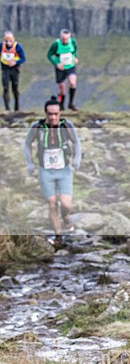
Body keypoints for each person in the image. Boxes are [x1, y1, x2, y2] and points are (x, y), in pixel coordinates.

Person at [23, 96, 82, 249]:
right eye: (50, 114)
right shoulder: (37, 127)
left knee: (66, 204)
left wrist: (77, 160)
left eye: (56, 114)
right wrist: (30, 164)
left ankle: (66, 216)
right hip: (45, 171)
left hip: (64, 171)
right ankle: (58, 237)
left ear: (60, 113)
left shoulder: (67, 125)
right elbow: (27, 144)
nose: (53, 117)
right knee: (52, 204)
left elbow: (76, 142)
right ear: (45, 113)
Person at [46, 29, 79, 111]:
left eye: (67, 39)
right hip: (60, 68)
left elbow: (74, 50)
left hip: (70, 66)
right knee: (62, 89)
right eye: (63, 39)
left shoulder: (72, 42)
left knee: (72, 83)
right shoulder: (56, 44)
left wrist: (75, 57)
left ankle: (71, 103)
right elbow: (49, 55)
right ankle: (61, 105)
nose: (65, 41)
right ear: (60, 37)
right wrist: (56, 64)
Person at [1, 30, 26, 111]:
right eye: (6, 41)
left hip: (14, 70)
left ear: (13, 39)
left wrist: (15, 62)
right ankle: (7, 108)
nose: (8, 43)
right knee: (5, 87)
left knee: (15, 88)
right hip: (5, 69)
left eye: (10, 40)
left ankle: (16, 107)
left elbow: (23, 58)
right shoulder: (1, 46)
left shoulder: (18, 47)